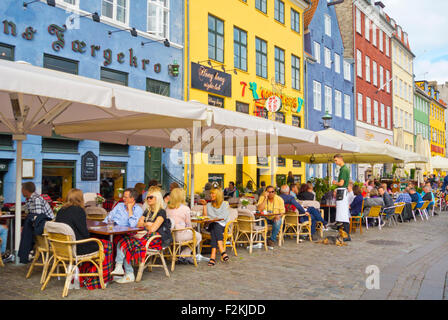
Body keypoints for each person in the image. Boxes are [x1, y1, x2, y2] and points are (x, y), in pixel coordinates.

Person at [56, 189, 113, 289]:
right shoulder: (79, 210)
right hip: (77, 247)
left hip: (63, 248)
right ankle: (99, 279)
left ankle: (87, 273)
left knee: (97, 242)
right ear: (80, 199)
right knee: (108, 245)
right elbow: (84, 233)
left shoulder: (61, 211)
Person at [112, 189, 172, 283]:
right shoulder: (147, 211)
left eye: (151, 197)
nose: (148, 199)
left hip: (154, 240)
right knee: (122, 241)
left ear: (157, 199)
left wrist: (146, 224)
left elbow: (153, 229)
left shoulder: (161, 212)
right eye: (147, 197)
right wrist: (146, 224)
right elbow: (138, 224)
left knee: (125, 243)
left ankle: (127, 273)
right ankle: (121, 268)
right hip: (145, 236)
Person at [18, 182, 54, 264]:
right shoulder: (30, 199)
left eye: (22, 189)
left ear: (26, 190)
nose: (21, 191)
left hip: (47, 225)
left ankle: (25, 254)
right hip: (39, 224)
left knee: (26, 229)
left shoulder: (36, 199)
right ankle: (26, 253)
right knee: (25, 228)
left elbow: (38, 217)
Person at [166, 188, 202, 264]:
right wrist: (191, 229)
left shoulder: (167, 208)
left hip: (170, 235)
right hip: (180, 235)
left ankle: (184, 256)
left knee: (190, 233)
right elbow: (188, 224)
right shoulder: (185, 208)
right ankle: (184, 254)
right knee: (198, 236)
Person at [198, 188, 230, 266]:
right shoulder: (209, 205)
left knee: (214, 227)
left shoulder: (224, 204)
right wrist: (204, 206)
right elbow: (205, 217)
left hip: (221, 225)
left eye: (213, 194)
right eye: (211, 193)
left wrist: (213, 219)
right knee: (214, 225)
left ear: (218, 195)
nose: (211, 195)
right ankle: (222, 250)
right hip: (211, 225)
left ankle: (213, 255)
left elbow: (223, 217)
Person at [332, 154, 351, 240]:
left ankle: (346, 235)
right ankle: (343, 234)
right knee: (342, 214)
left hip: (342, 193)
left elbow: (341, 183)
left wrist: (334, 182)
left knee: (343, 214)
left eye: (336, 160)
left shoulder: (343, 169)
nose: (335, 162)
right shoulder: (344, 169)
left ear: (340, 159)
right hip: (343, 192)